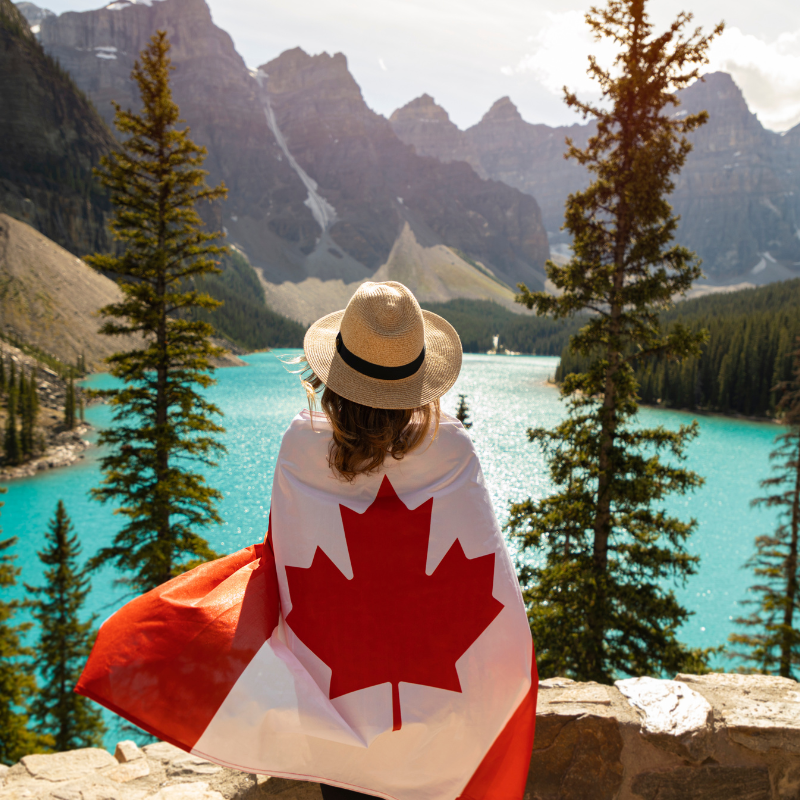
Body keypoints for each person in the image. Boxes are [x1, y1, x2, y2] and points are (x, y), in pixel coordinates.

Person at [78, 281, 537, 800]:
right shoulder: (451, 449)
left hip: (338, 721)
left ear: (333, 377)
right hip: (445, 730)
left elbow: (286, 558)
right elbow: (493, 580)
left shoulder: (301, 446)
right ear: (420, 382)